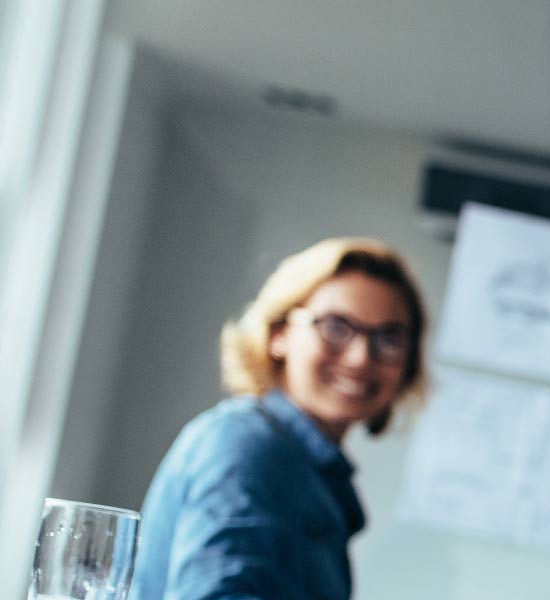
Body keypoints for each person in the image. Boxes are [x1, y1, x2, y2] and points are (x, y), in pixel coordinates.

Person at [134, 238, 429, 600]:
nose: (360, 358)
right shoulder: (245, 448)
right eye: (336, 327)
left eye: (389, 338)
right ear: (279, 333)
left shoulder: (309, 472)